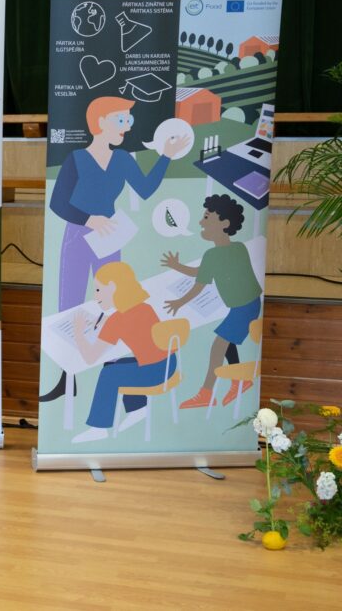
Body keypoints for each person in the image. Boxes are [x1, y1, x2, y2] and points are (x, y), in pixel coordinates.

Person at [41, 96, 188, 402]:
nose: (126, 127)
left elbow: (145, 190)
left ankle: (112, 374)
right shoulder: (76, 159)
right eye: (120, 120)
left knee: (114, 307)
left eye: (128, 120)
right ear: (100, 122)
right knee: (69, 305)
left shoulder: (122, 159)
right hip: (77, 236)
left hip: (109, 239)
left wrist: (165, 156)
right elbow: (57, 203)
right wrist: (87, 219)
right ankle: (67, 378)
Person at [163, 194, 262, 409]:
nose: (201, 222)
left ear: (224, 223)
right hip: (250, 304)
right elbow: (204, 271)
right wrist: (178, 267)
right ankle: (239, 382)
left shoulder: (214, 254)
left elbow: (200, 284)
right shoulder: (237, 248)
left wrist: (179, 302)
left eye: (207, 217)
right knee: (227, 342)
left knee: (218, 346)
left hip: (243, 308)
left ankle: (206, 393)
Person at [69, 262, 175, 444]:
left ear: (112, 287)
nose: (95, 297)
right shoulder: (144, 307)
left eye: (98, 290)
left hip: (155, 373)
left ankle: (98, 428)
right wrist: (108, 324)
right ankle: (138, 409)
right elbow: (134, 328)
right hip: (168, 364)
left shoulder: (116, 320)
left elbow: (90, 357)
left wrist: (78, 334)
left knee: (108, 374)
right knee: (113, 364)